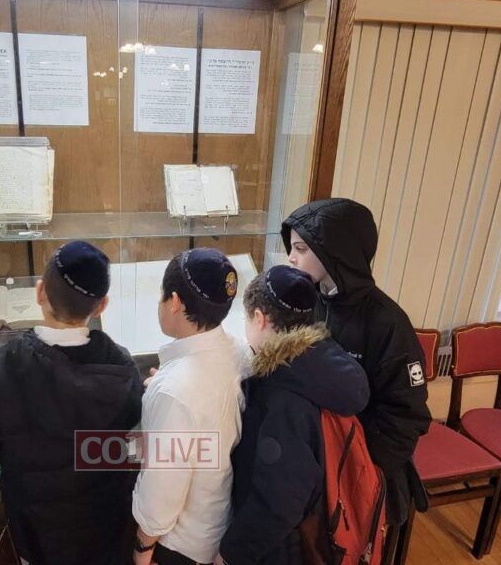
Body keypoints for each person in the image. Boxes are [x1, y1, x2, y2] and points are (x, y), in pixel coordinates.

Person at [0, 241, 142, 565]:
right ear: (101, 306)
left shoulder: (3, 369)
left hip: (36, 537)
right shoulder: (122, 367)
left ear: (40, 293)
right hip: (106, 532)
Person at [281, 198, 432, 533]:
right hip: (312, 460)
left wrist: (359, 466)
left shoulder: (387, 323)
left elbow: (407, 417)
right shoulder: (308, 302)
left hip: (358, 468)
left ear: (336, 252)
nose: (291, 257)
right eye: (291, 247)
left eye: (301, 248)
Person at [217, 266, 370, 565]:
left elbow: (279, 501)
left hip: (282, 548)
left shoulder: (284, 396)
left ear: (259, 318)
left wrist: (230, 552)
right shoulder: (320, 363)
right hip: (306, 527)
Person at [133, 248, 246, 565]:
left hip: (179, 546)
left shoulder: (175, 392)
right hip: (214, 523)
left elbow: (162, 493)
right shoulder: (237, 351)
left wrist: (142, 549)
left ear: (175, 302)